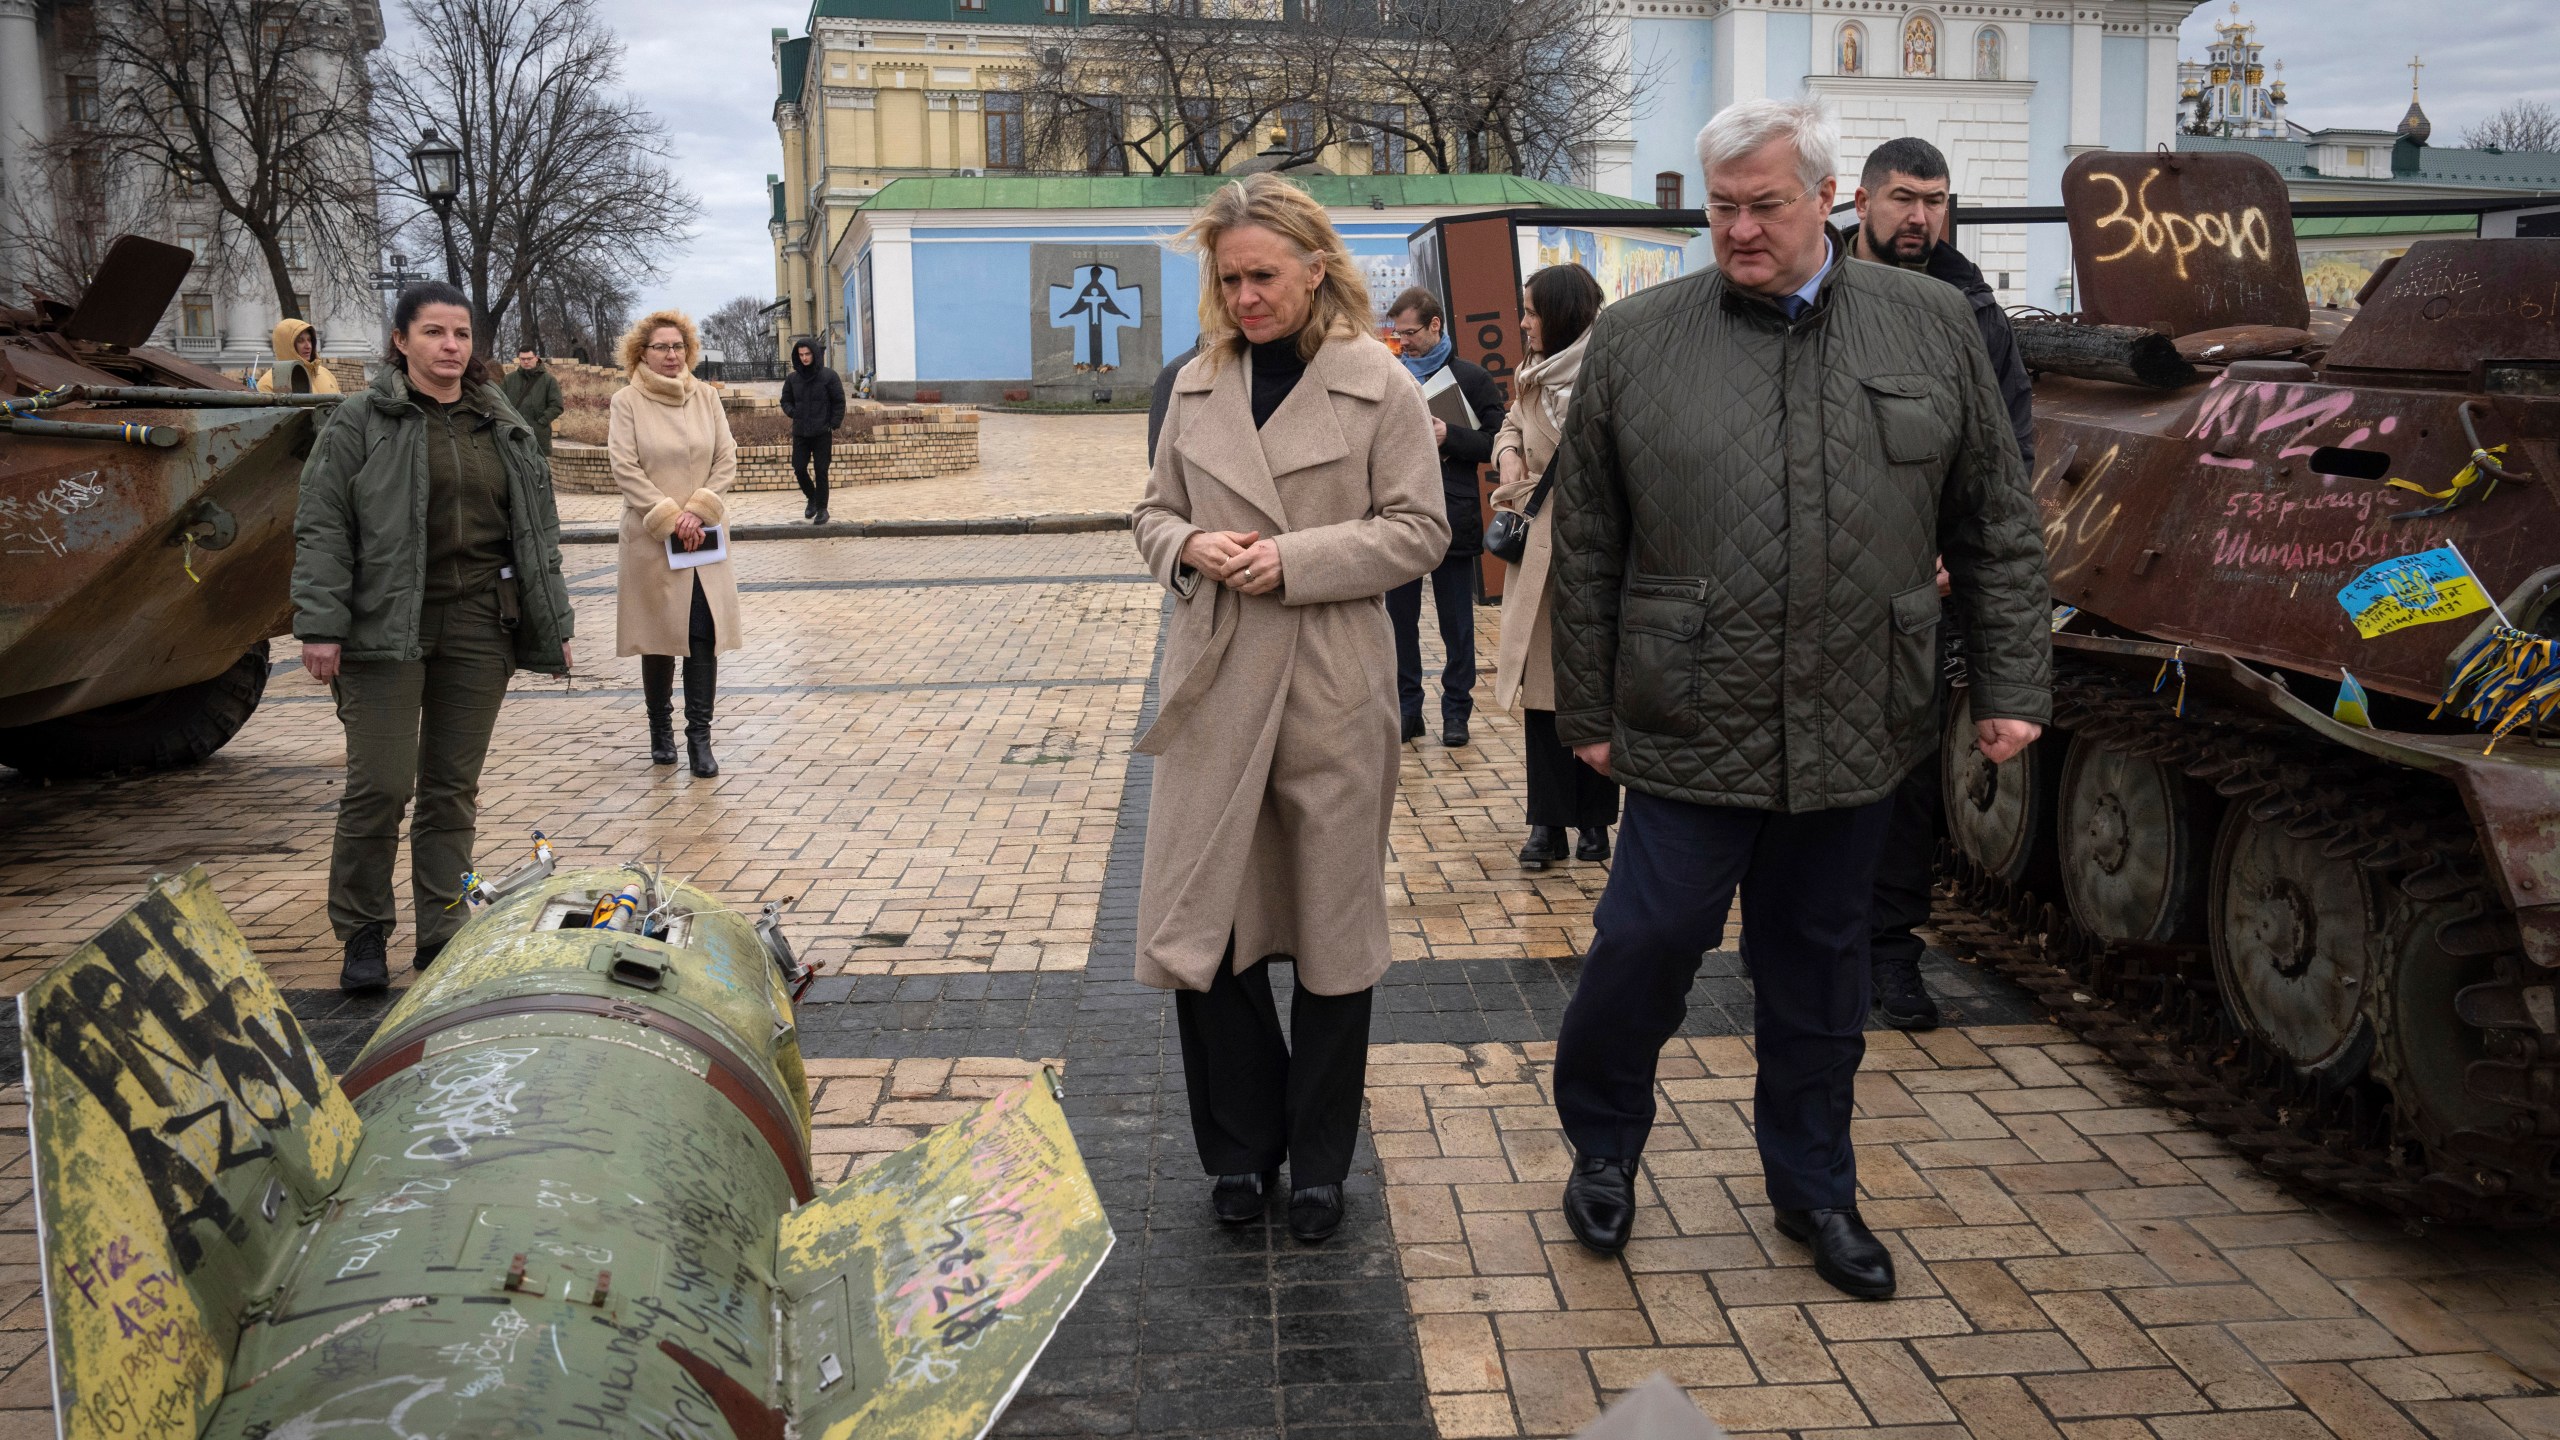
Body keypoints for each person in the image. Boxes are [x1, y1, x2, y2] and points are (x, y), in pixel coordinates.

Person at [1543, 99, 2051, 1299]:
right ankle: (1603, 1149)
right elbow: (1591, 540)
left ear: (1822, 199)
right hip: (1686, 714)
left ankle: (1815, 1190)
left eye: (1764, 205)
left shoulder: (1929, 326)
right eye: (1721, 208)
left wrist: (2012, 680)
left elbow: (1994, 519)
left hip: (1854, 712)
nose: (1739, 230)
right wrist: (1589, 713)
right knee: (1643, 944)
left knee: (1819, 973)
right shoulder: (1639, 337)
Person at [1132, 173, 1447, 1243]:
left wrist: (1293, 559)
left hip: (1327, 681)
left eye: (1264, 275)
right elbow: (1150, 511)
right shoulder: (1193, 382)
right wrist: (1185, 546)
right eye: (1230, 279)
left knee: (1330, 936)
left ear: (1318, 267)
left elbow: (1419, 531)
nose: (1246, 297)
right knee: (1204, 931)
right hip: (1216, 680)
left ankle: (1318, 1164)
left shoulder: (1380, 384)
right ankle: (1238, 1150)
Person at [291, 282, 575, 994]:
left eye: (461, 335)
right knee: (380, 785)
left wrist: (552, 622)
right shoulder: (361, 420)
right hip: (384, 625)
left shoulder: (497, 420)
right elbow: (323, 526)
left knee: (452, 789)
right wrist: (321, 625)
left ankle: (443, 929)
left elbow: (538, 533)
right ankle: (361, 930)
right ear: (401, 341)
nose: (451, 346)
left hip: (482, 623)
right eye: (434, 333)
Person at [1850, 135, 2039, 1032]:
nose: (1919, 216)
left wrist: (1943, 548)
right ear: (1860, 202)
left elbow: (2003, 460)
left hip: (1913, 596)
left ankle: (1888, 953)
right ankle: (1809, 949)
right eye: (1901, 198)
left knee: (1905, 780)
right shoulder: (1817, 299)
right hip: (1803, 581)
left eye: (1934, 199)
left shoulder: (1970, 315)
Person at [1488, 263, 1618, 872]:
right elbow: (1512, 420)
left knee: (1591, 690)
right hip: (1539, 559)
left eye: (1533, 311)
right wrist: (1509, 453)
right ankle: (1547, 825)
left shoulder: (1613, 370)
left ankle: (1595, 824)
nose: (1523, 322)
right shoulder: (1532, 374)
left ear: (1563, 313)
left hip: (1595, 551)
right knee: (1542, 700)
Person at [610, 309, 743, 778]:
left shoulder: (706, 397)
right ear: (641, 353)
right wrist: (670, 516)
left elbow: (726, 458)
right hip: (652, 539)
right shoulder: (627, 401)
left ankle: (699, 739)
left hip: (702, 537)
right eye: (661, 347)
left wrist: (697, 510)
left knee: (702, 637)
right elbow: (625, 467)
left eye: (678, 346)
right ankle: (659, 729)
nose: (671, 355)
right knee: (661, 639)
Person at [1384, 288, 1505, 747]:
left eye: (1411, 333)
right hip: (1398, 517)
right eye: (1398, 335)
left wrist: (1448, 435)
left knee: (1457, 625)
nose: (1404, 343)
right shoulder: (1391, 377)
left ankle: (1457, 713)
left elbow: (1499, 443)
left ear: (1436, 325)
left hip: (1453, 516)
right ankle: (1408, 710)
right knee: (1400, 622)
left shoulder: (1471, 378)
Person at [780, 338, 846, 524]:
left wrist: (833, 423)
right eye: (801, 355)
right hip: (801, 432)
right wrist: (794, 413)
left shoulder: (829, 376)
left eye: (807, 354)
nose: (804, 358)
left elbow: (839, 401)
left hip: (822, 432)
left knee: (821, 470)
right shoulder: (793, 379)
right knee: (799, 468)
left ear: (814, 354)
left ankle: (822, 509)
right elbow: (785, 401)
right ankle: (812, 498)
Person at [500, 347, 565, 463]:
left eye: (529, 358)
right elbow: (500, 404)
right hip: (514, 435)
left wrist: (541, 422)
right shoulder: (509, 380)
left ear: (536, 358)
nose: (525, 362)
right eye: (522, 359)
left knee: (540, 475)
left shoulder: (548, 380)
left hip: (539, 437)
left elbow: (557, 405)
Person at [257, 319, 341, 395]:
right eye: (300, 341)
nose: (308, 346)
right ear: (286, 346)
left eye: (309, 340)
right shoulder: (268, 384)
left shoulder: (326, 374)